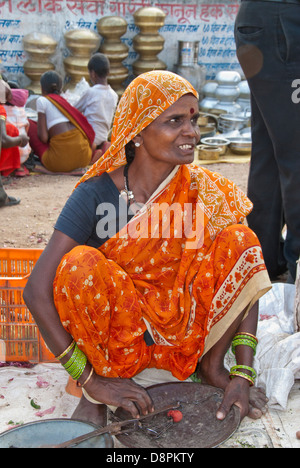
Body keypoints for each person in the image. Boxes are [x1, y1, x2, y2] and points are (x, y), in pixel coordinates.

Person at [24, 70, 271, 428]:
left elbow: (245, 267)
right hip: (117, 347)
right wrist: (91, 380)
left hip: (186, 339)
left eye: (193, 120)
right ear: (137, 131)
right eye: (175, 121)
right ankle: (97, 394)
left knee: (240, 239)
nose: (192, 132)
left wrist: (243, 371)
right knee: (79, 266)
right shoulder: (96, 194)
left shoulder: (206, 190)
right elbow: (36, 290)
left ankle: (212, 366)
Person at [234, 0, 300, 283]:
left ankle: (264, 263)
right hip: (282, 25)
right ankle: (297, 267)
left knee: (272, 154)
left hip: (263, 21)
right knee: (295, 153)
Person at [28, 71, 95, 173]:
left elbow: (43, 138)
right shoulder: (65, 101)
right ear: (61, 88)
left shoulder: (42, 101)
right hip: (84, 157)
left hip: (59, 162)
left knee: (28, 124)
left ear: (42, 88)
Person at [74, 53, 118, 163]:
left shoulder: (91, 92)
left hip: (90, 136)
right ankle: (101, 148)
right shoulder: (114, 95)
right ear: (108, 72)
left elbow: (74, 111)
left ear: (93, 74)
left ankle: (91, 154)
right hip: (104, 135)